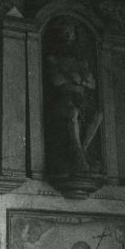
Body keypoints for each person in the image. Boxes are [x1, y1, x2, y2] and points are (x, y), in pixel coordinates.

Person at [44, 18, 102, 174]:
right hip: (63, 99)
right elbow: (56, 81)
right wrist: (73, 77)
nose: (67, 35)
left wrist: (83, 80)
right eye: (64, 33)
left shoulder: (81, 60)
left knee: (97, 115)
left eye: (70, 32)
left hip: (81, 99)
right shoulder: (53, 57)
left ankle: (83, 149)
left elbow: (93, 84)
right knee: (72, 113)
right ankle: (77, 152)